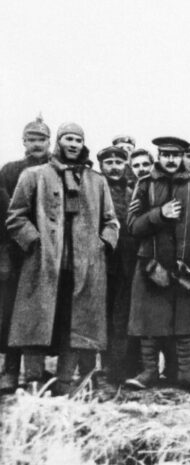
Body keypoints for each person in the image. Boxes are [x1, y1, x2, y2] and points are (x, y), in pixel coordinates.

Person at [5, 122, 119, 395]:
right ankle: (33, 380)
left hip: (83, 268)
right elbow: (15, 217)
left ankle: (65, 383)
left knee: (75, 323)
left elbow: (111, 221)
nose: (73, 145)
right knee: (36, 322)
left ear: (83, 144)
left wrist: (101, 245)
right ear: (59, 142)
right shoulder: (34, 175)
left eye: (77, 140)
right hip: (43, 264)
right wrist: (33, 241)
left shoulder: (97, 181)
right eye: (68, 139)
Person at [125, 136, 190, 392]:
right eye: (165, 155)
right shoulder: (145, 184)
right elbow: (132, 225)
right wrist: (159, 215)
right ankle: (149, 372)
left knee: (187, 320)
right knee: (149, 321)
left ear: (182, 157)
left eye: (175, 155)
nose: (170, 160)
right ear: (159, 156)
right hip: (151, 265)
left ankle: (186, 373)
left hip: (185, 265)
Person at [0, 115, 52, 393]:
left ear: (49, 141)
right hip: (16, 253)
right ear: (23, 141)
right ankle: (10, 368)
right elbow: (3, 213)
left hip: (47, 253)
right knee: (11, 312)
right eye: (31, 139)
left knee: (42, 310)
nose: (36, 144)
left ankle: (37, 370)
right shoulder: (10, 171)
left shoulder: (56, 170)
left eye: (41, 139)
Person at [97, 146, 140, 384]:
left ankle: (121, 367)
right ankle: (104, 365)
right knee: (102, 313)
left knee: (122, 315)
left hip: (128, 261)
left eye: (119, 162)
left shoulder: (133, 191)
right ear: (101, 165)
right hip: (102, 260)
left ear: (126, 165)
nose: (114, 167)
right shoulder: (94, 189)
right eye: (109, 162)